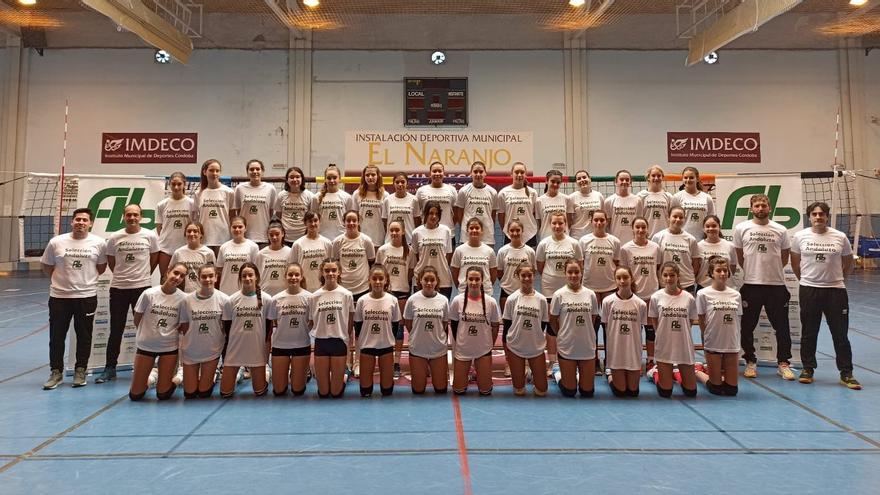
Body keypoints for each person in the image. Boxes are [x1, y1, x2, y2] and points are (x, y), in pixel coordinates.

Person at [790, 201, 861, 389]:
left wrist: (839, 280)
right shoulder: (799, 237)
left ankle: (846, 373)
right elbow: (796, 264)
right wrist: (807, 280)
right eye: (814, 214)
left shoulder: (840, 237)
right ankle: (808, 368)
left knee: (840, 334)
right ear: (809, 217)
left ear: (827, 216)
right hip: (809, 289)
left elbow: (848, 262)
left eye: (822, 214)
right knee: (809, 332)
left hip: (835, 291)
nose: (818, 217)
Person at [41, 208, 108, 390]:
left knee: (84, 336)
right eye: (77, 219)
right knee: (56, 336)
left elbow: (101, 267)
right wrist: (61, 281)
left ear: (90, 223)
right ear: (72, 222)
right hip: (59, 297)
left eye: (85, 220)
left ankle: (81, 370)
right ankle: (56, 372)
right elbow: (47, 266)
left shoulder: (99, 243)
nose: (80, 222)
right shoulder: (57, 242)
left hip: (86, 297)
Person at [733, 193, 795, 380]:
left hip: (776, 286)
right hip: (751, 285)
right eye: (757, 205)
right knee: (747, 326)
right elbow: (739, 255)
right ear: (751, 209)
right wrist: (754, 271)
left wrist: (771, 271)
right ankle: (750, 360)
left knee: (782, 327)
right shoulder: (741, 228)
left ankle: (783, 363)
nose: (760, 208)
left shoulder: (780, 229)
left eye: (764, 205)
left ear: (770, 208)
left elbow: (784, 256)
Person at [97, 203, 160, 384]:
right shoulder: (115, 238)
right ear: (124, 216)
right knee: (116, 329)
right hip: (118, 288)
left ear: (141, 217)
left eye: (136, 215)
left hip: (142, 289)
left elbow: (154, 259)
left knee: (146, 329)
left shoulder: (149, 236)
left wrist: (142, 276)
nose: (132, 218)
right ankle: (110, 368)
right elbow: (111, 262)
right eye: (129, 215)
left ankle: (148, 368)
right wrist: (124, 276)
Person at [128, 263, 190, 401]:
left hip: (168, 347)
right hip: (146, 346)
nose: (178, 277)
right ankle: (153, 376)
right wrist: (149, 334)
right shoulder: (149, 294)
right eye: (176, 273)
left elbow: (184, 325)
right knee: (135, 395)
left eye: (182, 276)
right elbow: (137, 319)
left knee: (163, 394)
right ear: (168, 272)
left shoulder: (184, 299)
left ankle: (179, 377)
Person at [220, 262, 273, 397]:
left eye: (250, 275)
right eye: (244, 276)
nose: (247, 278)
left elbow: (268, 331)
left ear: (257, 277)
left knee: (259, 392)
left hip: (256, 349)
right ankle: (239, 373)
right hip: (235, 349)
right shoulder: (231, 300)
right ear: (240, 278)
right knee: (225, 393)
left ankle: (265, 373)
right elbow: (227, 329)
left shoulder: (267, 299)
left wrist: (265, 355)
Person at [549, 259, 599, 397]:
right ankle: (557, 373)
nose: (573, 275)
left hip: (587, 346)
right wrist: (562, 334)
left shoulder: (590, 294)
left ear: (581, 273)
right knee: (569, 391)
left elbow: (593, 319)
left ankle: (574, 376)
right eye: (570, 272)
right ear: (565, 274)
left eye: (576, 272)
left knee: (587, 392)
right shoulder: (559, 295)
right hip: (567, 345)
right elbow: (552, 320)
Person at [649, 262, 698, 398]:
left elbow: (690, 321)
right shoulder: (656, 297)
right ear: (661, 277)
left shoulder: (688, 298)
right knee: (665, 392)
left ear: (678, 276)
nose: (668, 278)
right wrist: (663, 334)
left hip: (683, 344)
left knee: (691, 392)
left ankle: (676, 374)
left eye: (672, 275)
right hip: (665, 344)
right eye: (665, 275)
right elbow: (654, 320)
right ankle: (655, 373)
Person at [450, 267, 502, 396]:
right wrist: (459, 344)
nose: (473, 282)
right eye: (470, 279)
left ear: (482, 280)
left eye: (477, 279)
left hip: (483, 349)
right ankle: (466, 373)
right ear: (466, 280)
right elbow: (454, 325)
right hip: (463, 349)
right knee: (458, 390)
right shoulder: (457, 301)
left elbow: (495, 326)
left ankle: (480, 372)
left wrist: (489, 344)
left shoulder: (491, 302)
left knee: (485, 391)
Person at [579, 209, 620, 369]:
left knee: (609, 326)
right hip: (590, 288)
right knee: (592, 326)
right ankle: (593, 359)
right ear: (591, 221)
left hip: (610, 287)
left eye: (602, 220)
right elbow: (581, 265)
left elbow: (616, 263)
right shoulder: (583, 241)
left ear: (606, 221)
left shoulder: (614, 241)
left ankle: (610, 359)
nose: (599, 223)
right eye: (596, 220)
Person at [619, 216, 661, 371]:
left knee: (650, 328)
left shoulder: (655, 247)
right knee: (634, 329)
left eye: (643, 227)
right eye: (637, 227)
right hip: (633, 294)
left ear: (647, 229)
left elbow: (657, 268)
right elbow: (624, 272)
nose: (640, 230)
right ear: (632, 229)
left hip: (651, 292)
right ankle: (632, 358)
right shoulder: (626, 248)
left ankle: (651, 359)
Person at [180, 263, 228, 399]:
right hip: (191, 350)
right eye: (204, 277)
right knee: (189, 394)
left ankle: (215, 374)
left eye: (211, 276)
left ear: (216, 278)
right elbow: (184, 326)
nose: (207, 280)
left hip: (212, 351)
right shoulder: (187, 300)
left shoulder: (224, 300)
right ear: (199, 278)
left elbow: (225, 327)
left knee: (203, 393)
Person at [375, 220, 416, 378]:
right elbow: (378, 271)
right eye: (391, 230)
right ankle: (383, 358)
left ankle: (396, 361)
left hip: (402, 293)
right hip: (387, 293)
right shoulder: (383, 250)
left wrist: (402, 284)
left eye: (397, 230)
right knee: (385, 326)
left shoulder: (409, 251)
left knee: (399, 328)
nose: (394, 233)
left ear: (403, 231)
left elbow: (411, 271)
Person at [309, 259, 355, 398]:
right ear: (322, 272)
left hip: (338, 342)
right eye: (327, 270)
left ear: (339, 272)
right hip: (321, 342)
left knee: (336, 393)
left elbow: (350, 320)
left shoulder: (346, 295)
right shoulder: (315, 296)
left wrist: (345, 338)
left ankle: (345, 374)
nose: (330, 273)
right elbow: (312, 321)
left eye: (334, 270)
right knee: (323, 393)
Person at [696, 257, 742, 396]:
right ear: (711, 273)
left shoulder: (736, 294)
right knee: (715, 389)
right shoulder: (703, 294)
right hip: (713, 342)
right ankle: (697, 371)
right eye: (718, 270)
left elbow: (738, 320)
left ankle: (717, 374)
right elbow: (701, 319)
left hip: (731, 343)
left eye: (725, 270)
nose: (722, 273)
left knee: (731, 390)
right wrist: (706, 340)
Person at [502, 263, 549, 396]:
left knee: (542, 391)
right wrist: (507, 350)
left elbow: (543, 324)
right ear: (518, 276)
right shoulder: (512, 299)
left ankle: (532, 372)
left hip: (535, 346)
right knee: (519, 390)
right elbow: (507, 326)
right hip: (516, 346)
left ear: (534, 276)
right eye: (523, 275)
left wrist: (535, 337)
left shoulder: (541, 299)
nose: (527, 278)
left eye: (529, 275)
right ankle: (522, 372)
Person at [354, 265, 400, 397]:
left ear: (386, 280)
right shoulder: (362, 300)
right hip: (368, 346)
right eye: (375, 278)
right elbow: (358, 324)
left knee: (387, 391)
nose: (378, 282)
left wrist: (388, 339)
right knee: (365, 392)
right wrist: (364, 338)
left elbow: (395, 324)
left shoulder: (392, 300)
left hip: (385, 346)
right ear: (369, 280)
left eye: (381, 278)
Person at [403, 267, 450, 395]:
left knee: (440, 389)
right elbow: (408, 323)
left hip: (437, 348)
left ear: (436, 282)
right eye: (426, 280)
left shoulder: (444, 300)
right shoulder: (412, 300)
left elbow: (444, 324)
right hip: (418, 348)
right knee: (418, 390)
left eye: (432, 280)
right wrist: (418, 335)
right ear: (420, 281)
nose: (429, 283)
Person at [602, 267, 647, 397]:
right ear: (615, 280)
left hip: (632, 350)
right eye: (619, 278)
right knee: (620, 392)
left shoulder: (641, 304)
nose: (622, 281)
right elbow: (606, 326)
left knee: (633, 392)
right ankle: (610, 375)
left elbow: (640, 328)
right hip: (616, 350)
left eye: (625, 277)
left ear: (631, 278)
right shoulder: (608, 301)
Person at [268, 263, 313, 396]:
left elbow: (312, 322)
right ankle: (286, 372)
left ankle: (303, 372)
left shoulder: (309, 298)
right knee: (279, 391)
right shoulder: (276, 299)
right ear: (285, 276)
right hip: (280, 345)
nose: (293, 277)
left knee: (297, 391)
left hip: (301, 345)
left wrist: (303, 330)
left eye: (296, 274)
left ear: (301, 277)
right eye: (290, 274)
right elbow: (273, 321)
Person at [156, 171, 198, 278]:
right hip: (165, 248)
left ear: (184, 184)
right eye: (173, 184)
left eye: (179, 184)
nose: (176, 187)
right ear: (169, 184)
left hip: (185, 247)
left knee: (184, 280)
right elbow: (159, 227)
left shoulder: (192, 203)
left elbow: (195, 225)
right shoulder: (161, 205)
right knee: (165, 278)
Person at [412, 200, 455, 299]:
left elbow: (448, 255)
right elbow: (415, 256)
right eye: (431, 213)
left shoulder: (446, 231)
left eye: (436, 213)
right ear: (425, 214)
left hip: (443, 280)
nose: (434, 216)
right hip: (421, 280)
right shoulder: (417, 232)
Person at [651, 207, 701, 293]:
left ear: (684, 219)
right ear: (668, 217)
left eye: (681, 217)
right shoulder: (658, 237)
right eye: (675, 216)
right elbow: (655, 264)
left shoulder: (691, 239)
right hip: (665, 284)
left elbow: (695, 263)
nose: (678, 219)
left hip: (686, 284)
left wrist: (687, 278)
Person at [232, 159, 277, 248]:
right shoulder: (239, 189)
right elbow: (238, 211)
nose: (255, 171)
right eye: (251, 169)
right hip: (244, 235)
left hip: (263, 235)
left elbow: (271, 212)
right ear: (247, 172)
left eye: (257, 169)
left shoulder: (270, 189)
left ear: (262, 171)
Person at [195, 158, 234, 255]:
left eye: (217, 171)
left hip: (223, 236)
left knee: (220, 268)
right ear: (204, 172)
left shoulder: (228, 192)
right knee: (206, 269)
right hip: (204, 237)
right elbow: (196, 217)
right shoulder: (199, 193)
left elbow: (232, 216)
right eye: (211, 170)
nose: (214, 173)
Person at [454, 161, 498, 247]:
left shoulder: (493, 192)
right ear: (471, 173)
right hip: (467, 236)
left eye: (481, 172)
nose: (478, 174)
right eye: (475, 172)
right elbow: (459, 214)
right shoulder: (463, 191)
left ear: (485, 173)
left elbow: (492, 215)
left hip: (487, 236)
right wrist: (467, 226)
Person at [451, 217, 498, 295]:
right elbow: (455, 272)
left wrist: (485, 286)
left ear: (482, 230)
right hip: (464, 293)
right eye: (471, 228)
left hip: (485, 293)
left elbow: (493, 274)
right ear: (467, 231)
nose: (474, 230)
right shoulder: (459, 250)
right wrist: (462, 286)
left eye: (477, 228)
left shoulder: (489, 251)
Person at [497, 161, 538, 248]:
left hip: (529, 233)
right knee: (512, 260)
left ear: (526, 174)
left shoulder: (533, 192)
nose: (519, 175)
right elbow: (501, 215)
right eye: (516, 172)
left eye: (522, 172)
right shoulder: (503, 193)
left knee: (529, 260)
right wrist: (507, 230)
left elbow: (535, 214)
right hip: (511, 233)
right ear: (511, 174)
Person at [289, 211, 333, 292]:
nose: (313, 224)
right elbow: (293, 268)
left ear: (319, 221)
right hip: (304, 288)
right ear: (305, 223)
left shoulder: (327, 243)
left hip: (323, 288)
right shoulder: (297, 244)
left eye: (315, 220)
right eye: (310, 221)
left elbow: (332, 267)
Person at [216, 216, 260, 296]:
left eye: (240, 227)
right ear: (230, 228)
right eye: (234, 227)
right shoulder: (224, 247)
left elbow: (256, 271)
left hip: (246, 290)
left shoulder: (253, 246)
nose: (237, 229)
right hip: (226, 289)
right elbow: (219, 270)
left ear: (245, 228)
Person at [170, 222, 216, 293]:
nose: (192, 234)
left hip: (203, 294)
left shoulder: (209, 253)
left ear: (201, 234)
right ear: (185, 234)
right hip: (182, 294)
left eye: (195, 231)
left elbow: (213, 276)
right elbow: (171, 273)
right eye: (189, 231)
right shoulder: (178, 252)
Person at [310, 164, 353, 240]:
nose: (332, 180)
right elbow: (313, 219)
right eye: (329, 178)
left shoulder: (347, 197)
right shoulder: (316, 197)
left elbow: (350, 219)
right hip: (322, 238)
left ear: (339, 178)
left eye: (334, 178)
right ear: (325, 179)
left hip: (342, 237)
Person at [275, 166, 315, 247]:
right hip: (286, 237)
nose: (295, 180)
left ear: (302, 179)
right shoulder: (281, 195)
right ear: (287, 180)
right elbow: (278, 215)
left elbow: (311, 217)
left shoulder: (309, 195)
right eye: (291, 177)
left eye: (297, 177)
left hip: (303, 235)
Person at [672, 166, 714, 240]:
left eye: (691, 177)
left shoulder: (707, 198)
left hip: (702, 239)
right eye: (685, 177)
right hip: (682, 239)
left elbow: (711, 220)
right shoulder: (677, 197)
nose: (688, 180)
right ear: (682, 179)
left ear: (697, 179)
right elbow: (672, 220)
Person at [415, 161, 458, 234]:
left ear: (443, 173)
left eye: (439, 171)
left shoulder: (451, 190)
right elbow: (416, 214)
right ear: (430, 174)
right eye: (434, 171)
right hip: (426, 233)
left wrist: (449, 225)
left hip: (448, 233)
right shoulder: (421, 191)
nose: (437, 174)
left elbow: (456, 213)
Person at [696, 215, 736, 289]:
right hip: (704, 287)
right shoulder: (698, 246)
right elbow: (696, 268)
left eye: (714, 226)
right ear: (703, 229)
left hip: (725, 287)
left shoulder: (730, 246)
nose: (711, 228)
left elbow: (732, 267)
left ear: (719, 227)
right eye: (707, 226)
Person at [604, 169, 642, 246]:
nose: (624, 182)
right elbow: (607, 225)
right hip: (615, 240)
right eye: (621, 179)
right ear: (616, 182)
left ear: (630, 182)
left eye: (627, 180)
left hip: (633, 241)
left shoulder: (637, 200)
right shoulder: (609, 201)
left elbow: (639, 222)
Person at [352, 164, 386, 247]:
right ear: (363, 177)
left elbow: (386, 220)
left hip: (379, 238)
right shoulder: (357, 194)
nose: (370, 177)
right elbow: (354, 216)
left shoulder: (385, 195)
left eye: (373, 175)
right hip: (361, 237)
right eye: (367, 175)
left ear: (378, 176)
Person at [382, 172, 420, 244]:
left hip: (409, 240)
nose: (400, 184)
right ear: (394, 184)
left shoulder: (414, 200)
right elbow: (385, 221)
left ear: (407, 183)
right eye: (397, 182)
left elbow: (417, 221)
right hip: (390, 241)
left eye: (403, 182)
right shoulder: (387, 200)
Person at [535, 170, 573, 241]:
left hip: (563, 238)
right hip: (545, 238)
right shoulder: (539, 201)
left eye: (558, 182)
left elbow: (569, 222)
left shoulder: (567, 199)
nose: (555, 184)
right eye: (552, 181)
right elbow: (539, 224)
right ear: (546, 181)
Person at [637, 165, 673, 237]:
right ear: (648, 178)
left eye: (659, 176)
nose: (656, 178)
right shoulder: (641, 196)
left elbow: (671, 218)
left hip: (664, 236)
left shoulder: (668, 196)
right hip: (646, 236)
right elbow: (638, 218)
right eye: (653, 175)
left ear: (662, 177)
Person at [256, 222, 292, 296]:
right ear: (268, 236)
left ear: (282, 234)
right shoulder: (261, 254)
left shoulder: (290, 252)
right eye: (271, 235)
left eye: (277, 234)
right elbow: (257, 277)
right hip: (265, 294)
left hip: (284, 293)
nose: (274, 237)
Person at [568, 170, 604, 239]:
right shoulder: (572, 198)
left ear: (589, 179)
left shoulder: (598, 195)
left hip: (595, 235)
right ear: (576, 182)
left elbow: (603, 216)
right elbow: (569, 221)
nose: (582, 180)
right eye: (579, 179)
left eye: (584, 177)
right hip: (577, 236)